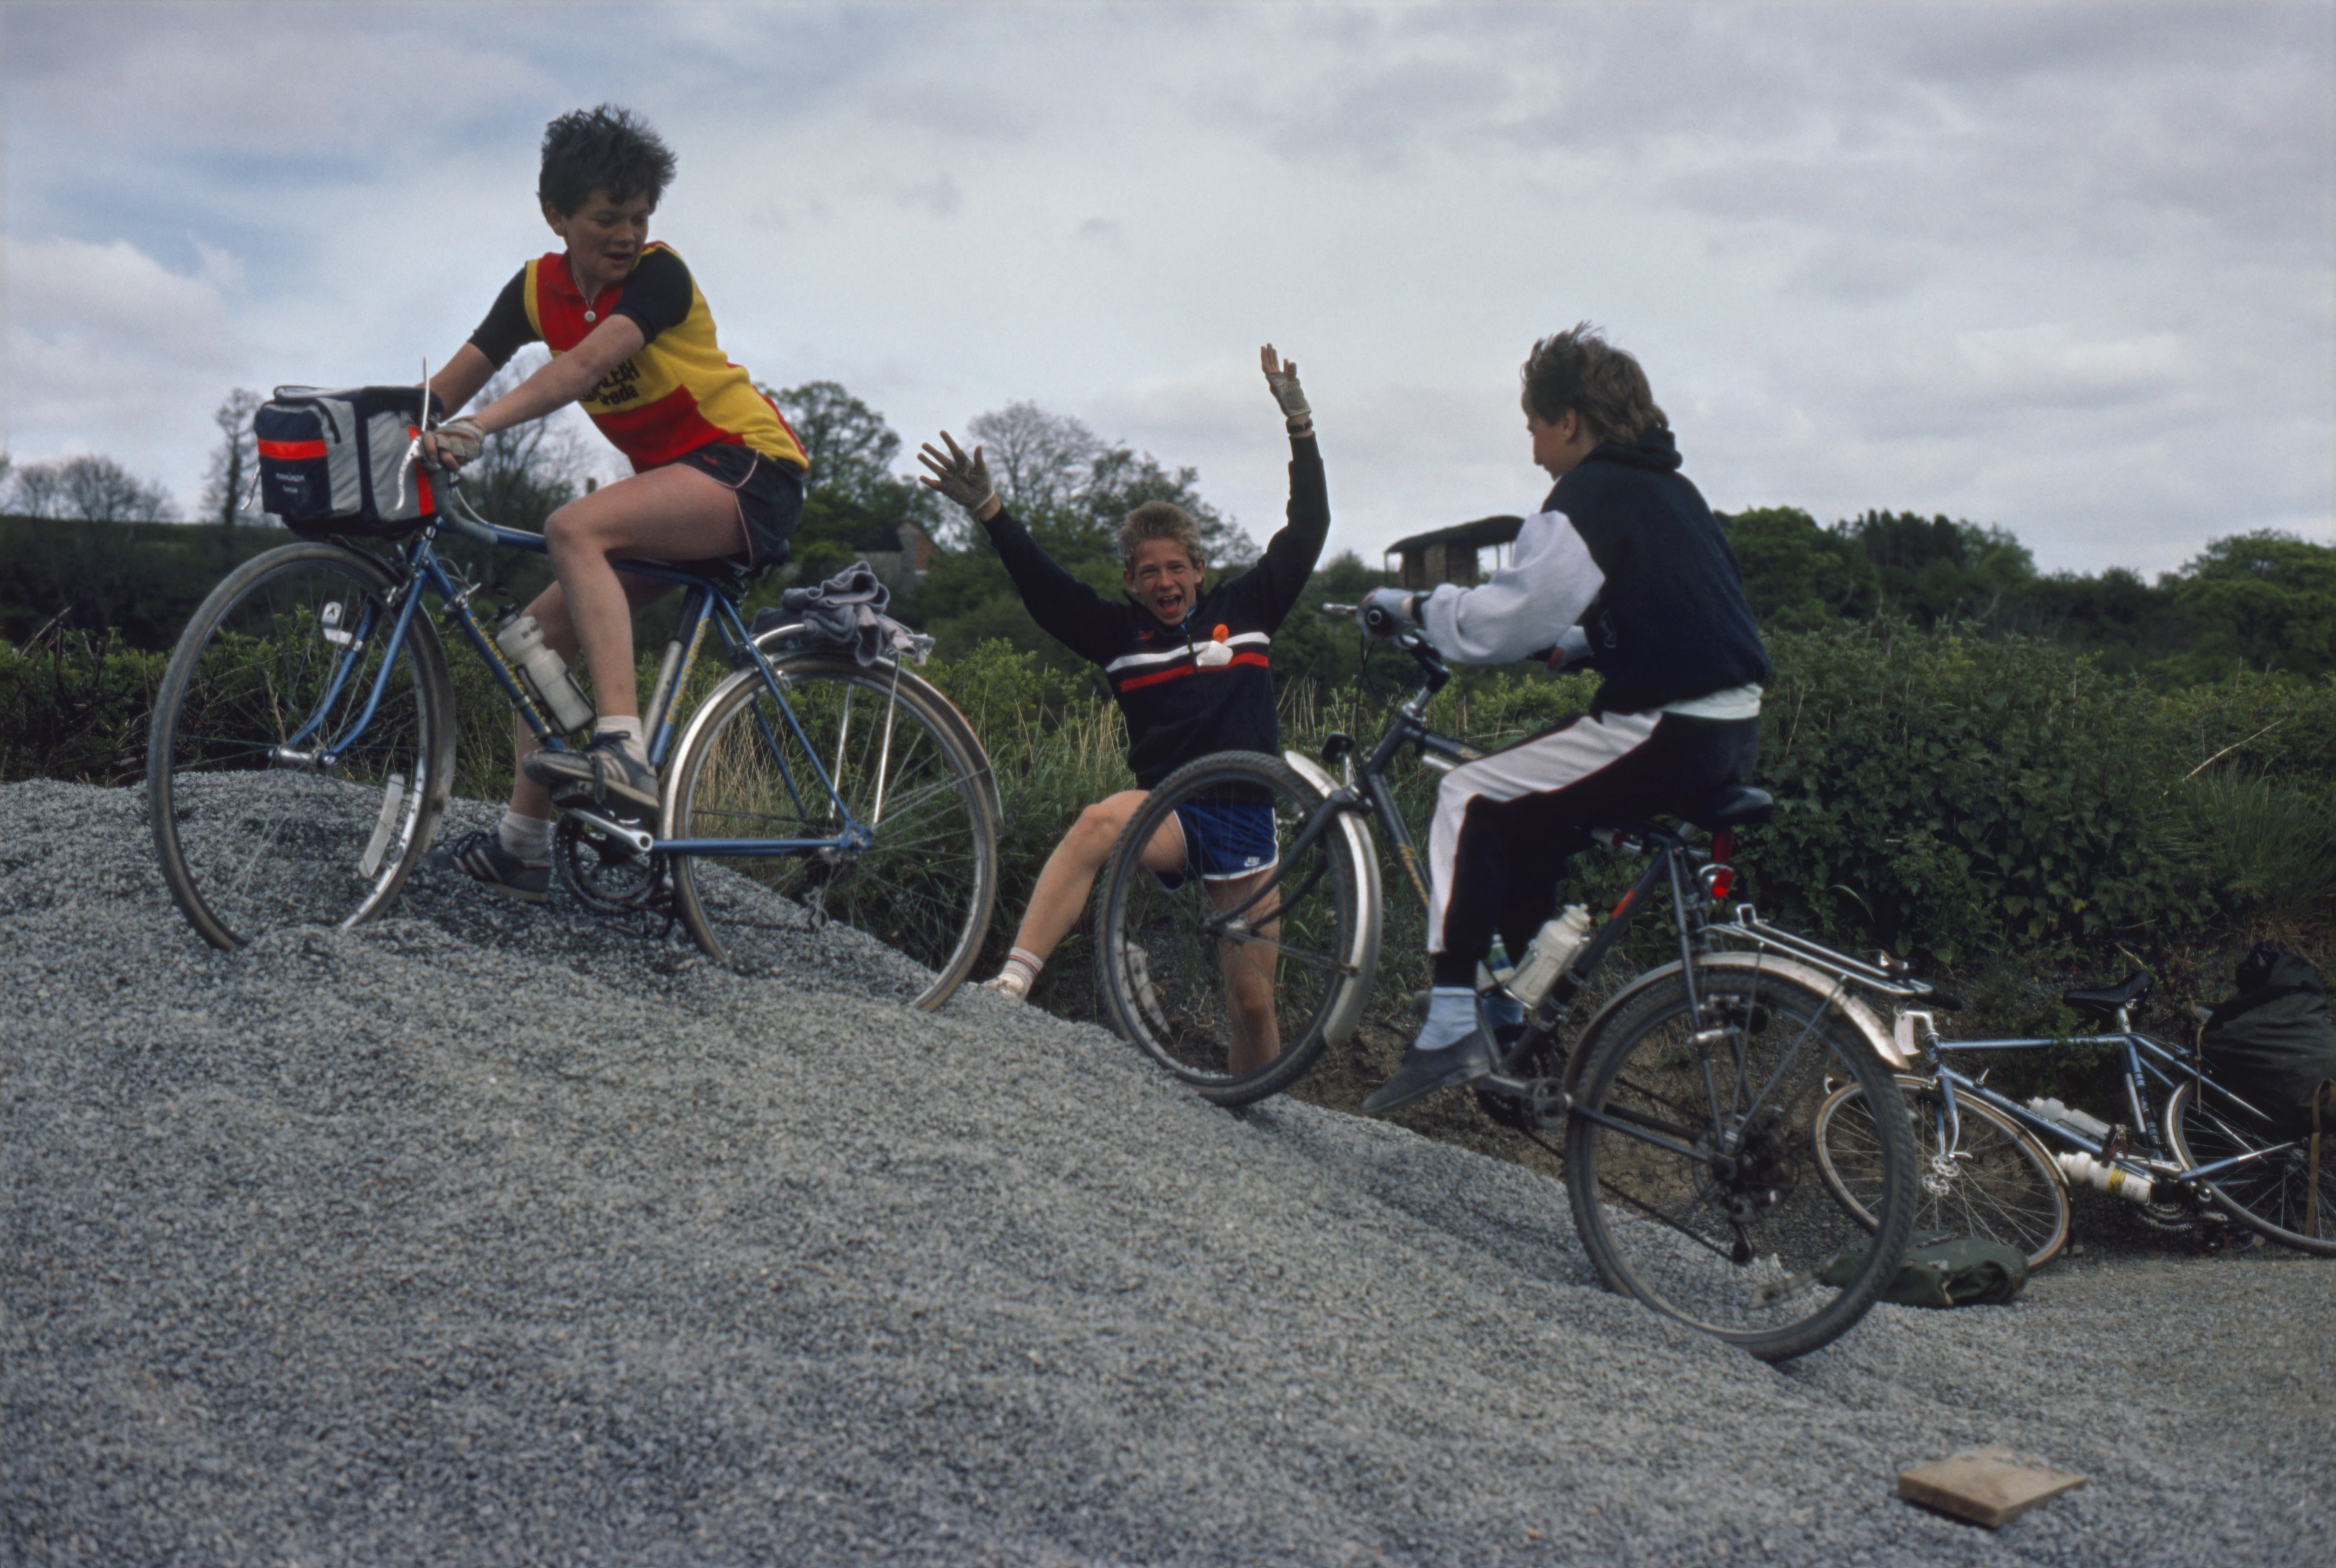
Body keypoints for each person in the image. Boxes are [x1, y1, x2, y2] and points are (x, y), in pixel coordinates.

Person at [1355, 324, 1771, 1115]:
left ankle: (1448, 1025)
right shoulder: (1668, 490)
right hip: (1724, 725)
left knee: (1469, 794)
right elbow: (1676, 605)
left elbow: (1501, 619)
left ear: (1569, 420)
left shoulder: (1590, 492)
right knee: (1526, 821)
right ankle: (1512, 1013)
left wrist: (1411, 606)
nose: (1535, 449)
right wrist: (1587, 643)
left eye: (1534, 429)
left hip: (1665, 726)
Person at [417, 105, 809, 903]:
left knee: (574, 525)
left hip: (747, 468)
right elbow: (441, 391)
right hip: (674, 489)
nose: (627, 233)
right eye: (607, 217)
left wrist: (478, 429)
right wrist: (379, 430)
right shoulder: (534, 290)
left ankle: (622, 751)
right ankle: (521, 848)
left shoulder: (660, 275)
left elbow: (585, 367)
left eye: (638, 215)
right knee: (535, 640)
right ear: (555, 214)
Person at [917, 348, 1328, 1070]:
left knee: (1253, 1002)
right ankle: (1012, 984)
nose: (1165, 582)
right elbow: (1046, 590)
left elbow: (1307, 527)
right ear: (1131, 582)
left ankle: (1256, 1117)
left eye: (1176, 568)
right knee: (1101, 820)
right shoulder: (1118, 634)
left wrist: (1298, 422)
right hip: (1172, 807)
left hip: (1248, 817)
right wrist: (990, 509)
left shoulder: (1250, 607)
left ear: (1199, 568)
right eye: (1149, 573)